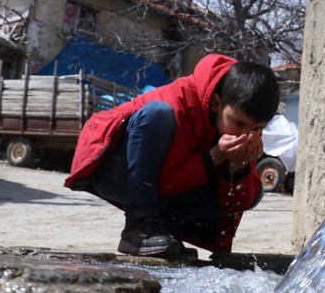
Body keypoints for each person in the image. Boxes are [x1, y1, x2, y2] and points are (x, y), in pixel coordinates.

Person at [64, 54, 279, 260]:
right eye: (239, 123)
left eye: (258, 129)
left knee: (254, 191)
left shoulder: (244, 133)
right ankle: (138, 228)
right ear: (216, 104)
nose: (246, 135)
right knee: (156, 115)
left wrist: (237, 168)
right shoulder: (180, 101)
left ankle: (162, 232)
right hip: (112, 167)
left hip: (164, 184)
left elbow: (235, 203)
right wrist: (217, 155)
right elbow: (164, 182)